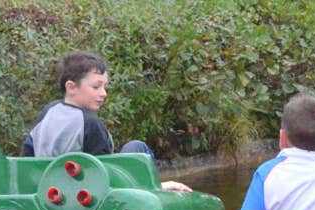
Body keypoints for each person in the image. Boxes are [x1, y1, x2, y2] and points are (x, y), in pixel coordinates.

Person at [23, 51, 190, 192]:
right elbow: (106, 177)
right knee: (137, 147)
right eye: (96, 87)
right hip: (84, 194)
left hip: (50, 189)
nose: (104, 93)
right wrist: (155, 186)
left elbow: (28, 154)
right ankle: (154, 188)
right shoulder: (90, 123)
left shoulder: (48, 111)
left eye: (105, 87)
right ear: (71, 87)